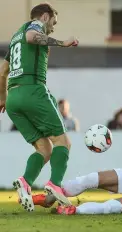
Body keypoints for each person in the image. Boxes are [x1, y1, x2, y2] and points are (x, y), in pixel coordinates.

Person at [0, 3, 79, 212]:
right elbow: (32, 37)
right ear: (45, 16)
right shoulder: (34, 26)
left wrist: (2, 98)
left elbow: (2, 70)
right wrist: (63, 43)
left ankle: (25, 182)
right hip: (33, 90)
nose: (53, 27)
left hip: (13, 98)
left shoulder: (16, 35)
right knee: (63, 142)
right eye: (53, 22)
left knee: (44, 149)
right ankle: (54, 185)